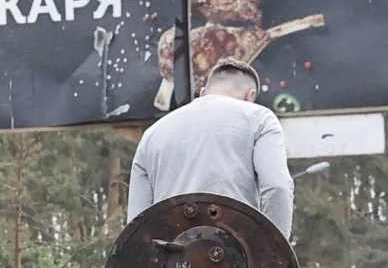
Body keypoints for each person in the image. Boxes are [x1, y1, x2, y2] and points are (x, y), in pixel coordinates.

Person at [125, 57, 295, 238]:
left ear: (203, 92)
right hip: (234, 253)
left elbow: (137, 222)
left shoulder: (152, 134)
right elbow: (277, 188)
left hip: (171, 258)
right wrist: (273, 253)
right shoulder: (259, 118)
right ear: (250, 96)